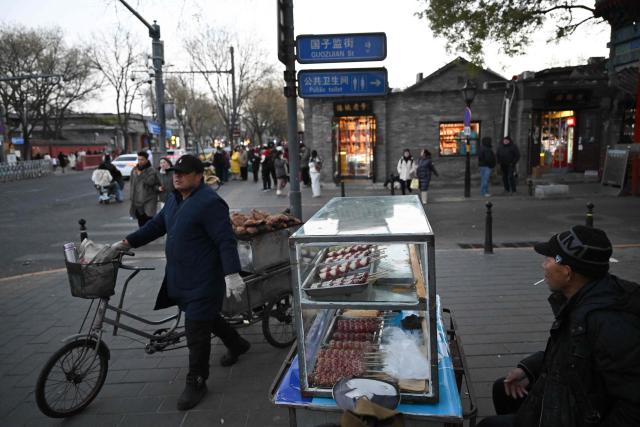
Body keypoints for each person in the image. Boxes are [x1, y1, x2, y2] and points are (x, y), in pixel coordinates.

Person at [113, 154, 250, 411]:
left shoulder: (210, 203)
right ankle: (237, 343)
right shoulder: (174, 200)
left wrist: (232, 274)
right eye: (175, 172)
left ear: (198, 176)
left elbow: (225, 240)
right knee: (206, 319)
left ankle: (197, 380)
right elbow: (155, 226)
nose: (177, 176)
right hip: (181, 277)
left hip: (205, 281)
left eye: (184, 173)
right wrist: (126, 243)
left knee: (196, 331)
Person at [478, 225, 640, 427]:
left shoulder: (610, 322)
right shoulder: (584, 297)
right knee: (503, 391)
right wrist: (530, 369)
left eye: (549, 259)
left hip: (578, 413)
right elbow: (571, 353)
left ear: (567, 271)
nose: (543, 265)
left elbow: (632, 405)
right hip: (572, 395)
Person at [129, 150, 160, 227]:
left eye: (142, 159)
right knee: (140, 219)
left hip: (148, 199)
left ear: (146, 160)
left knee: (148, 218)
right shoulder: (134, 170)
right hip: (137, 199)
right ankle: (142, 235)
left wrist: (141, 175)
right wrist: (131, 195)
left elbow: (151, 182)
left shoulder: (151, 170)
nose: (140, 161)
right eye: (138, 159)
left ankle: (149, 234)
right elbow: (132, 183)